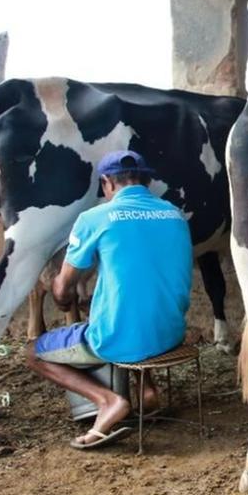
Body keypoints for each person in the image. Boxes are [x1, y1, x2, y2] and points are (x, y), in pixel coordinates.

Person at [25, 150, 193, 450]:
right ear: (147, 181)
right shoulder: (174, 214)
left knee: (33, 353)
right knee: (140, 305)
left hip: (117, 338)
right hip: (172, 334)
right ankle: (148, 391)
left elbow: (64, 287)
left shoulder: (95, 218)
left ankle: (108, 401)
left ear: (107, 183)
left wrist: (60, 295)